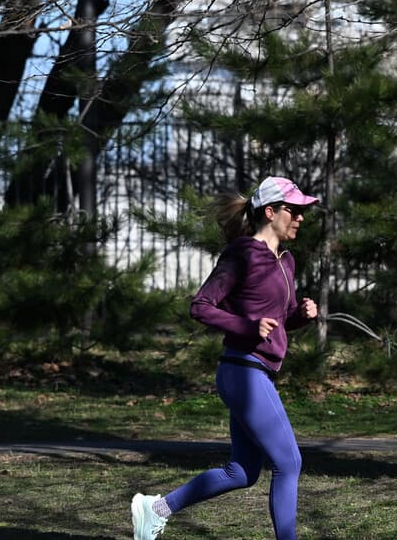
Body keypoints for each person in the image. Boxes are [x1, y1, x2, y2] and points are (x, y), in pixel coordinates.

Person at [131, 176, 320, 540]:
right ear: (271, 212)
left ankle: (154, 509)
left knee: (243, 471)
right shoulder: (242, 253)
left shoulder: (286, 260)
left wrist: (301, 316)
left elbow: (276, 322)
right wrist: (246, 325)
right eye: (293, 210)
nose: (300, 217)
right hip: (243, 371)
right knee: (289, 462)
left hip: (258, 372)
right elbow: (200, 306)